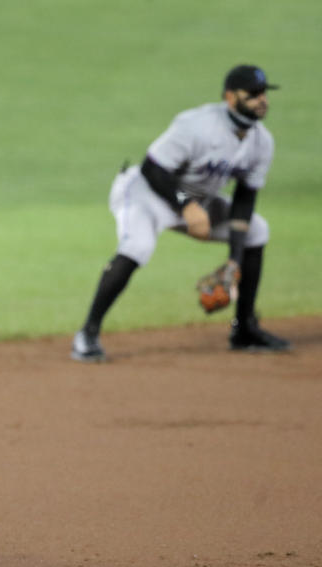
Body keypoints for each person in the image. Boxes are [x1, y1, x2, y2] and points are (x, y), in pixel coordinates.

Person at [71, 64, 291, 362]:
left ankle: (244, 330)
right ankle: (87, 334)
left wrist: (234, 261)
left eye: (264, 93)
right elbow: (152, 168)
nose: (261, 99)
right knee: (138, 246)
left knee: (256, 230)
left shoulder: (262, 142)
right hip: (147, 193)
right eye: (252, 94)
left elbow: (245, 198)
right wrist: (186, 206)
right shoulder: (197, 125)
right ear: (229, 97)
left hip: (197, 202)